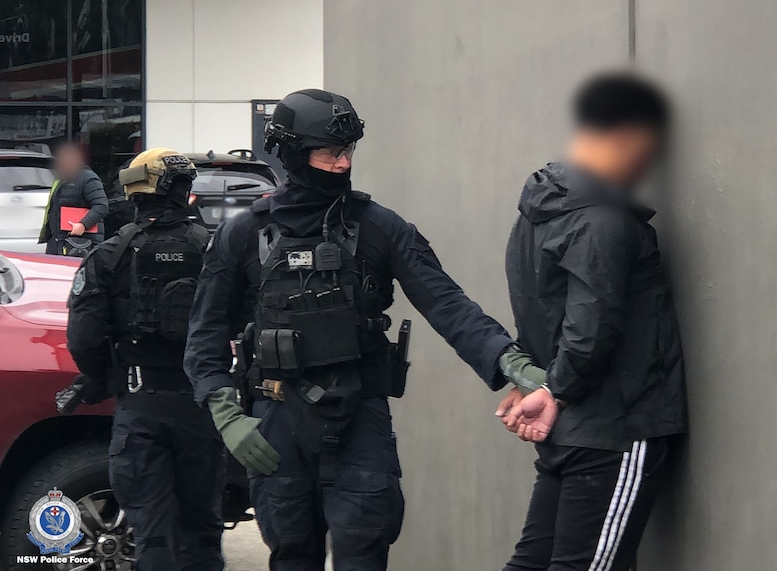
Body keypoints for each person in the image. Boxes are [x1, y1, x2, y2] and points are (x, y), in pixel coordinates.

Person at [183, 89, 550, 571]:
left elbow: (448, 304)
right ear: (294, 153)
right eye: (330, 152)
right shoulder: (242, 235)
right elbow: (204, 336)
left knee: (364, 549)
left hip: (359, 420)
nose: (342, 164)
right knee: (292, 553)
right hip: (274, 420)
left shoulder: (380, 227)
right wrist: (225, 414)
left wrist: (514, 364)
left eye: (348, 151)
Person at [497, 73, 688, 571]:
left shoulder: (536, 213)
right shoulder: (603, 220)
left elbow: (540, 314)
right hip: (614, 428)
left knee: (532, 562)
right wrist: (555, 391)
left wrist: (542, 388)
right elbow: (590, 329)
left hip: (570, 427)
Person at [66, 148, 226, 571]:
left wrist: (100, 378)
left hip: (140, 409)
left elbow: (83, 337)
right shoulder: (214, 250)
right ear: (181, 190)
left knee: (152, 535)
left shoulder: (109, 255)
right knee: (202, 533)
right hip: (201, 408)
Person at [39, 142, 108, 256]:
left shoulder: (88, 178)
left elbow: (101, 206)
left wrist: (83, 225)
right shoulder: (61, 179)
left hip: (80, 244)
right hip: (58, 242)